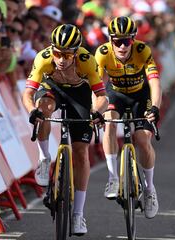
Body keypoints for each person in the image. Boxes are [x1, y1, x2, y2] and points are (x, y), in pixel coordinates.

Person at [22, 24, 108, 235]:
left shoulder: (87, 61)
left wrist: (97, 112)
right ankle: (43, 158)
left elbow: (102, 96)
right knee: (44, 110)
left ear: (76, 52)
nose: (61, 59)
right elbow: (28, 93)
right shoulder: (43, 57)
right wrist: (32, 110)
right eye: (58, 53)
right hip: (53, 89)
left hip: (79, 94)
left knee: (80, 152)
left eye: (67, 55)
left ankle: (78, 214)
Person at [95, 16, 161, 219]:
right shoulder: (103, 54)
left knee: (142, 139)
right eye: (117, 41)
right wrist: (96, 111)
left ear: (134, 39)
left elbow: (155, 83)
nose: (123, 46)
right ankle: (113, 177)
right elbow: (98, 88)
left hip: (140, 97)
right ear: (110, 41)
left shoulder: (143, 51)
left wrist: (155, 107)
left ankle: (150, 189)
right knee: (110, 126)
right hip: (116, 94)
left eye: (127, 41)